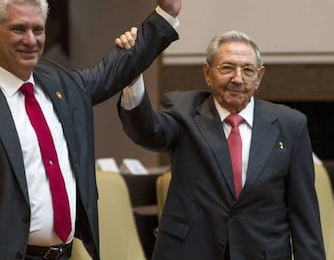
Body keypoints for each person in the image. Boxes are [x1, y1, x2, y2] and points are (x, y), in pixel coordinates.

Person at [0, 0, 185, 260]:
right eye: (19, 29)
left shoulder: (59, 83)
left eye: (39, 29)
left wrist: (165, 13)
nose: (31, 40)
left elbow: (113, 70)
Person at [117, 30, 326, 259]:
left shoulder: (290, 125)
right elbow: (148, 131)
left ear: (259, 76)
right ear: (207, 73)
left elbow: (304, 214)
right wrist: (133, 76)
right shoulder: (183, 112)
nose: (237, 78)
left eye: (247, 70)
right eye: (227, 68)